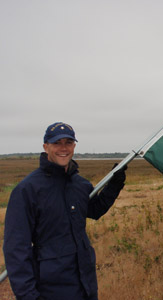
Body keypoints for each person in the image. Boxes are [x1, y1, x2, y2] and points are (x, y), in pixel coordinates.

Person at [3, 122, 127, 300]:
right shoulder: (27, 190)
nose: (63, 148)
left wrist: (114, 185)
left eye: (68, 143)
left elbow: (95, 209)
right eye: (57, 143)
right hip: (51, 289)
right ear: (46, 147)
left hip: (86, 285)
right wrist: (29, 296)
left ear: (74, 146)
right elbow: (15, 249)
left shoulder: (80, 184)